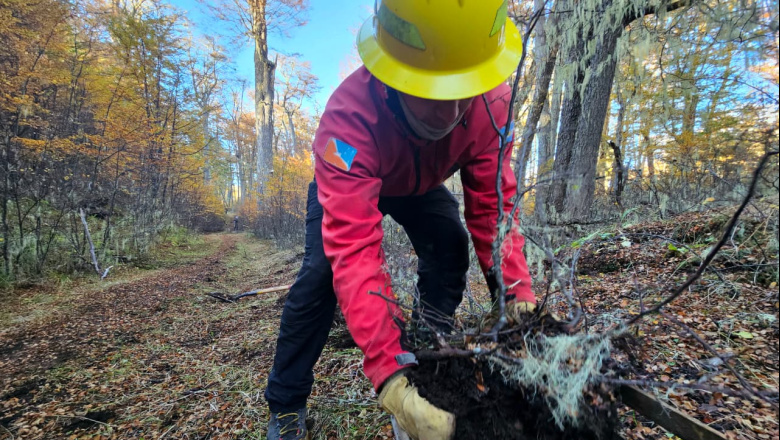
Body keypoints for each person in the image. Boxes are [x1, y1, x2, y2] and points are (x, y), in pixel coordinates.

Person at [265, 1, 537, 439]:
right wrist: (387, 373)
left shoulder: (492, 103)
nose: (450, 114)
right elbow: (354, 252)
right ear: (392, 75)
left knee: (449, 245)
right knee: (320, 274)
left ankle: (426, 351)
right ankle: (286, 401)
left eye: (463, 92)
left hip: (419, 185)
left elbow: (494, 209)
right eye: (432, 94)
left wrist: (517, 293)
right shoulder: (346, 122)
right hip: (352, 178)